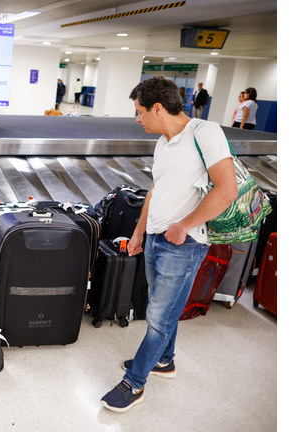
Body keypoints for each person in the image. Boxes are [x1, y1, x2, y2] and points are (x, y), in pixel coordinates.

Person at [100, 76, 237, 413]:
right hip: (156, 238)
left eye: (139, 112)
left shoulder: (205, 134)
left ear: (157, 108)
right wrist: (138, 233)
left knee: (159, 316)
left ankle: (134, 384)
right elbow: (155, 191)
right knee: (163, 307)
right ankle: (164, 360)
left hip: (184, 242)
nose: (137, 118)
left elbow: (227, 189)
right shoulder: (163, 142)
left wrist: (183, 226)